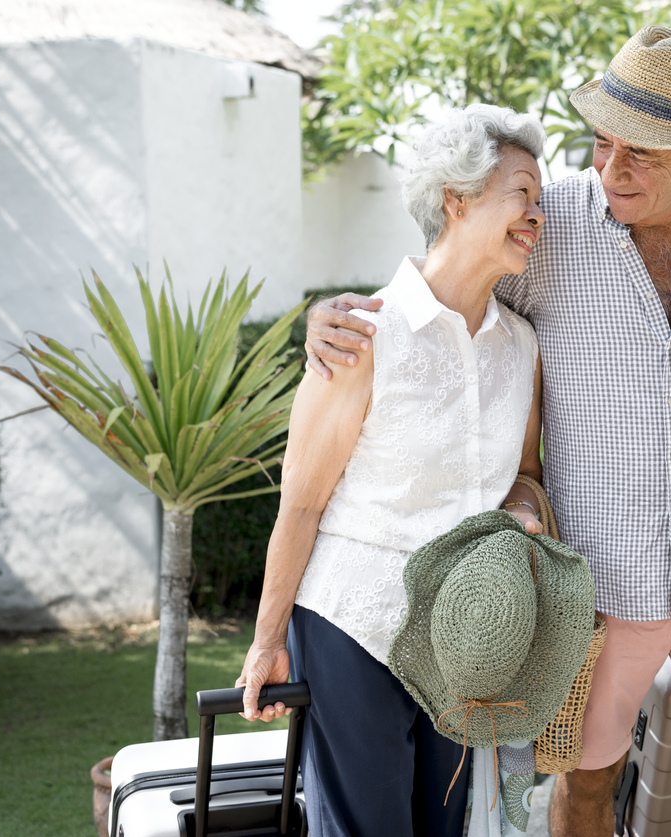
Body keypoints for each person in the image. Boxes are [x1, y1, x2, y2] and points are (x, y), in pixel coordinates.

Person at [305, 27, 671, 837]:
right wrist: (332, 316)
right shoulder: (554, 223)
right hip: (599, 577)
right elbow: (443, 281)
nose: (612, 169)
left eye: (640, 154)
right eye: (602, 144)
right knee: (585, 782)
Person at [236, 104, 552, 837]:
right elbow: (302, 504)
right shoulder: (360, 336)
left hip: (463, 637)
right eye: (522, 196)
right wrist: (266, 639)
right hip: (355, 624)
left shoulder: (522, 348)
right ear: (458, 197)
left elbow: (523, 475)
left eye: (540, 200)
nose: (538, 215)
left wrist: (523, 514)